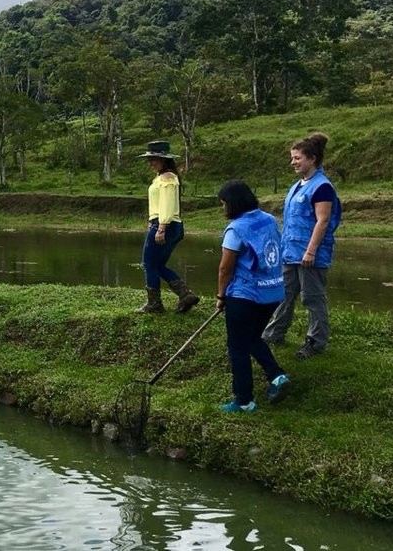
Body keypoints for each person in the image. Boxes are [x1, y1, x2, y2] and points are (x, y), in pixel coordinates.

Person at [262, 133, 342, 360]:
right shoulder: (298, 185)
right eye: (292, 158)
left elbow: (323, 220)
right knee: (284, 294)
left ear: (312, 159)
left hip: (310, 254)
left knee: (312, 298)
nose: (293, 162)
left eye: (297, 158)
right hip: (290, 252)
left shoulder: (322, 187)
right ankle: (274, 334)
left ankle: (315, 343)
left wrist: (311, 251)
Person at [215, 180, 289, 413]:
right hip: (273, 292)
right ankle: (277, 377)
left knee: (237, 346)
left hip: (245, 295)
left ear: (233, 204)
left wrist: (221, 296)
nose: (222, 208)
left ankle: (244, 400)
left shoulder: (236, 230)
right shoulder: (268, 219)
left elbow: (225, 268)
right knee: (251, 338)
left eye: (223, 204)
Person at [135, 141, 199, 314]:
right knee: (158, 264)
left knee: (149, 264)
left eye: (154, 159)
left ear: (164, 160)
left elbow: (168, 204)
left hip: (166, 225)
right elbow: (159, 204)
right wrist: (153, 220)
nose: (151, 162)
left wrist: (161, 227)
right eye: (150, 159)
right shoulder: (163, 177)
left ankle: (154, 304)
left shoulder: (168, 179)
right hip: (166, 224)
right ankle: (185, 294)